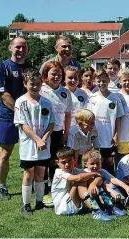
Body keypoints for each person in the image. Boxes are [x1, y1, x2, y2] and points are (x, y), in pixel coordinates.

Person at [0, 37, 30, 200]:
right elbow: (4, 95)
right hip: (9, 117)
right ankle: (1, 187)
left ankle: (34, 184)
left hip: (30, 118)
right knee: (5, 153)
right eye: (18, 47)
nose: (21, 50)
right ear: (10, 48)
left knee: (31, 153)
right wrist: (20, 112)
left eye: (24, 47)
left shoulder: (30, 68)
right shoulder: (2, 67)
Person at [14, 69, 55, 214]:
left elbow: (51, 123)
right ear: (25, 83)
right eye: (32, 84)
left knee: (40, 173)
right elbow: (23, 124)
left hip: (43, 145)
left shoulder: (46, 102)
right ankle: (26, 205)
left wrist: (43, 139)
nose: (35, 87)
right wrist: (37, 139)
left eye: (38, 84)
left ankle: (39, 202)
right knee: (28, 174)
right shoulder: (21, 102)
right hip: (28, 145)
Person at [40, 61, 74, 201]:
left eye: (59, 74)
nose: (56, 77)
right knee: (43, 162)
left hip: (58, 132)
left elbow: (67, 114)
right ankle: (41, 189)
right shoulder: (40, 90)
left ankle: (56, 188)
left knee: (56, 161)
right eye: (53, 74)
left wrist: (65, 132)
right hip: (42, 133)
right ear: (46, 75)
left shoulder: (65, 92)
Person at [51, 147, 113, 221]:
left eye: (70, 161)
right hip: (63, 207)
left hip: (75, 204)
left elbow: (99, 178)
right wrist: (94, 173)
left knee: (89, 179)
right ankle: (96, 211)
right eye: (63, 162)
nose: (67, 164)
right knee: (81, 181)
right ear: (57, 163)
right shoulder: (58, 172)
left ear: (74, 160)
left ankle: (108, 206)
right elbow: (77, 178)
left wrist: (93, 184)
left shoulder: (76, 170)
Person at [87, 71, 124, 175]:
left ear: (108, 81)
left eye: (104, 81)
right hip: (95, 135)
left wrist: (116, 135)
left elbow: (118, 118)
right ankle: (96, 180)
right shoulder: (92, 97)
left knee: (109, 161)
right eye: (99, 81)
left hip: (109, 136)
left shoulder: (115, 98)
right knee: (96, 160)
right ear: (95, 81)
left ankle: (110, 182)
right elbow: (89, 117)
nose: (102, 83)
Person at [83, 149, 129, 215]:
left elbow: (113, 179)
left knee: (110, 184)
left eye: (98, 163)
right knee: (103, 185)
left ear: (101, 162)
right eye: (92, 164)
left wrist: (126, 187)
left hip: (102, 193)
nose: (95, 166)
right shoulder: (84, 173)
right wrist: (111, 191)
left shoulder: (102, 171)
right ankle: (108, 206)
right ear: (86, 164)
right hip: (91, 196)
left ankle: (118, 202)